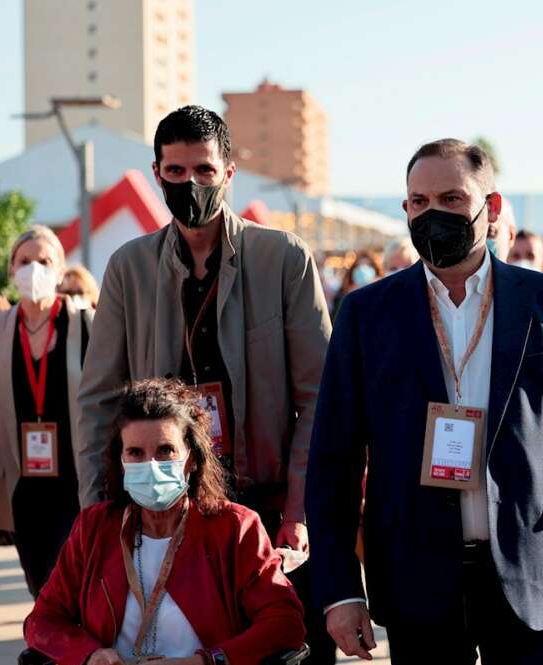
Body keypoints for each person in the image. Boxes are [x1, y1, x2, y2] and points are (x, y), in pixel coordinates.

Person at [307, 138, 543, 665]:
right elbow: (333, 462)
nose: (433, 215)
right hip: (415, 578)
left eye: (452, 199)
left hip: (533, 575)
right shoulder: (367, 315)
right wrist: (341, 590)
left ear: (492, 208)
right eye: (419, 202)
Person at [76, 105, 333, 662]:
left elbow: (319, 397)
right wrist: (97, 511)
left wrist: (299, 507)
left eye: (204, 171)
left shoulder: (283, 258)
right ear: (156, 173)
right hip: (165, 502)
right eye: (175, 172)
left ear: (229, 172)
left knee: (279, 645)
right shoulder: (129, 267)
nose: (189, 183)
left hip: (265, 500)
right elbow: (99, 398)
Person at [24, 378, 305, 665]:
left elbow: (285, 624)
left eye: (165, 450)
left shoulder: (235, 527)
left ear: (192, 458)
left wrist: (205, 662)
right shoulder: (94, 528)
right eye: (135, 453)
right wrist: (90, 655)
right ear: (120, 461)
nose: (151, 466)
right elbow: (42, 621)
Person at [0, 226, 93, 598]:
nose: (33, 269)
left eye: (43, 261)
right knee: (43, 590)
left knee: (72, 592)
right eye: (24, 261)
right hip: (22, 490)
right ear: (11, 267)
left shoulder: (85, 323)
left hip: (76, 486)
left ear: (59, 269)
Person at [330, 251, 383, 319]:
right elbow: (336, 319)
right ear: (353, 271)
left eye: (368, 265)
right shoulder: (343, 294)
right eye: (359, 266)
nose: (363, 270)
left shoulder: (382, 293)